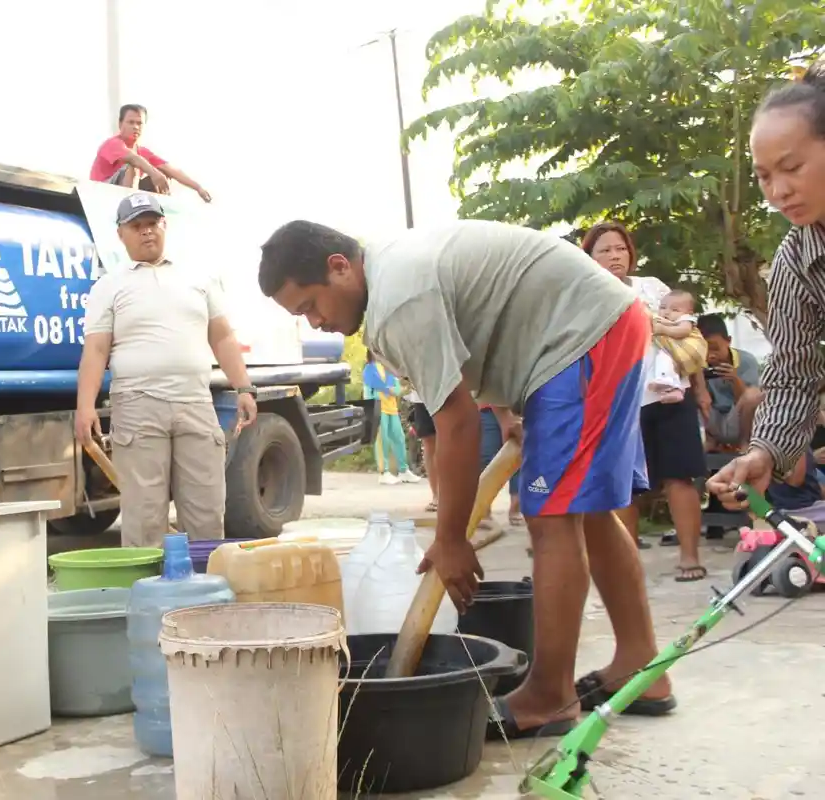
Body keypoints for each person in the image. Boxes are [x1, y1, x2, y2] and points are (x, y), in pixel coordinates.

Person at [258, 218, 674, 740]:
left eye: (310, 306)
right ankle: (641, 667)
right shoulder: (391, 274)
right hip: (591, 330)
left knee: (551, 517)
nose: (315, 322)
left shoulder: (398, 299)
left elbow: (454, 423)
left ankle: (550, 695)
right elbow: (486, 328)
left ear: (339, 267)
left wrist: (451, 539)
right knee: (583, 510)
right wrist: (509, 411)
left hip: (584, 336)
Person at [75, 193, 256, 547]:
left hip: (195, 403)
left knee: (206, 512)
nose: (147, 232)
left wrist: (244, 388)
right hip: (137, 406)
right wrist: (85, 407)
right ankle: (149, 583)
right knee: (144, 518)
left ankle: (205, 581)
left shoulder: (198, 278)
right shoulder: (108, 286)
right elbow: (96, 349)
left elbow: (222, 337)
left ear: (164, 226)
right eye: (136, 226)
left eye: (152, 223)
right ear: (121, 234)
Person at [709, 59, 825, 511]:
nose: (778, 191)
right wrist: (765, 452)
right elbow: (794, 374)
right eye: (764, 176)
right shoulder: (796, 260)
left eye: (791, 167)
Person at [583, 222, 706, 573]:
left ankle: (690, 557)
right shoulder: (585, 296)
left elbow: (688, 332)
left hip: (672, 396)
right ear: (589, 257)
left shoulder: (651, 287)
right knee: (623, 484)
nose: (615, 256)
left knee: (680, 476)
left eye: (620, 248)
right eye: (605, 250)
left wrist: (700, 388)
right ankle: (628, 566)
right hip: (621, 401)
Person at [89, 104, 212, 202]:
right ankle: (130, 206)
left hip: (129, 188)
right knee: (134, 165)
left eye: (139, 123)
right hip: (101, 192)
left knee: (164, 174)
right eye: (131, 122)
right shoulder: (112, 144)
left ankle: (156, 212)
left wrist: (198, 188)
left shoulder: (142, 151)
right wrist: (154, 173)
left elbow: (172, 170)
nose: (136, 127)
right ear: (120, 124)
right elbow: (133, 159)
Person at [697, 313, 763, 451]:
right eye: (704, 349)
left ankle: (745, 443)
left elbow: (750, 401)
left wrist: (735, 379)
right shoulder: (698, 363)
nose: (711, 355)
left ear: (728, 341)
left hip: (738, 417)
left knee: (754, 394)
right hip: (712, 418)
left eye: (715, 348)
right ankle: (710, 440)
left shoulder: (746, 361)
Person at [361, 351, 421, 485]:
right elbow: (376, 386)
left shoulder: (388, 368)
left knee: (398, 438)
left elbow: (397, 388)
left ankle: (403, 470)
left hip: (391, 408)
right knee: (382, 440)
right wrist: (392, 390)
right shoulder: (369, 368)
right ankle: (384, 472)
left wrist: (403, 389)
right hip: (378, 407)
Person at [649, 290, 705, 403]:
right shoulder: (664, 319)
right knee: (664, 361)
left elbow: (684, 331)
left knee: (666, 360)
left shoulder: (685, 319)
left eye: (675, 310)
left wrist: (664, 330)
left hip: (687, 350)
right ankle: (671, 388)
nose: (667, 312)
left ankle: (674, 387)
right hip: (672, 352)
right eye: (663, 307)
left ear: (688, 312)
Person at [479, 404, 523, 526]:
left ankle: (516, 507)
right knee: (486, 456)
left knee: (518, 452)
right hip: (488, 406)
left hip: (517, 404)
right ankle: (483, 509)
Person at [407, 388, 442, 511]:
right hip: (422, 396)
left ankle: (451, 495)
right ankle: (437, 495)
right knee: (429, 441)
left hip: (448, 393)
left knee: (450, 440)